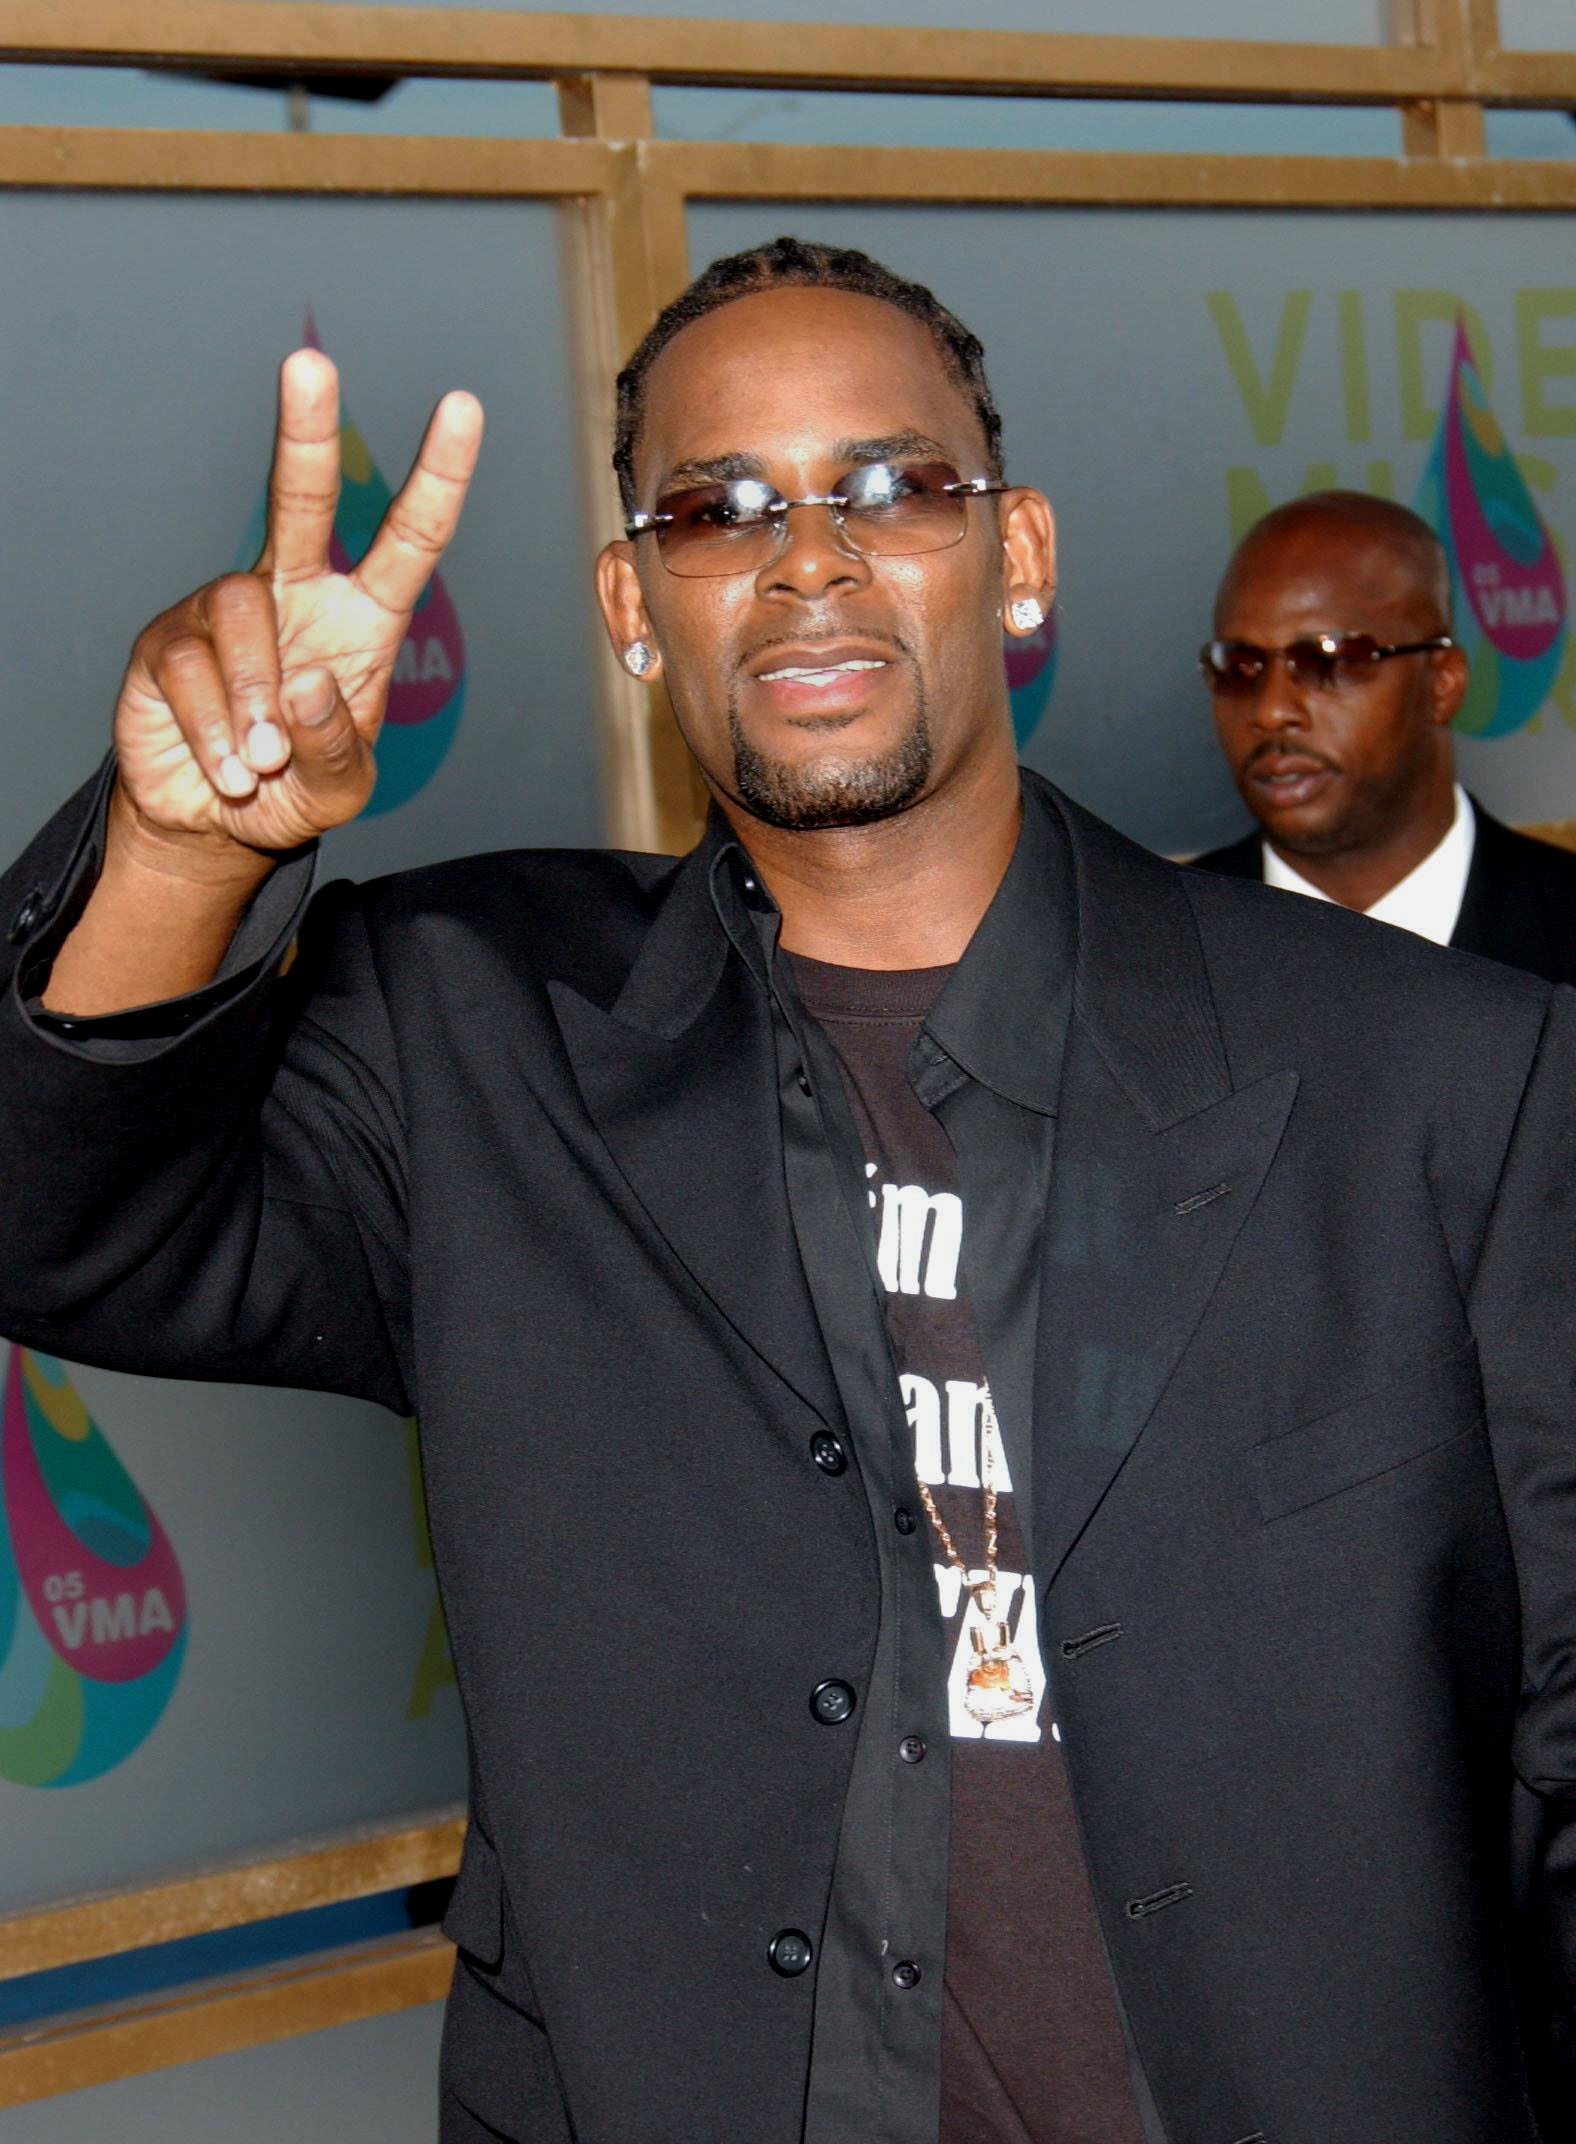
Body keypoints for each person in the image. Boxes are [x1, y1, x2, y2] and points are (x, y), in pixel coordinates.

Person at [2, 239, 1575, 2144]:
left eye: (895, 487)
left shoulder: (1431, 1071)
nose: (806, 556)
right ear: (634, 602)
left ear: (1022, 556)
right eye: (716, 505)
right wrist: (181, 846)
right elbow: (59, 1221)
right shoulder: (473, 1032)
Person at [1193, 489, 1576, 983]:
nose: (1271, 711)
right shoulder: (1147, 950)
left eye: (1327, 661)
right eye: (1240, 668)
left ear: (1443, 684)